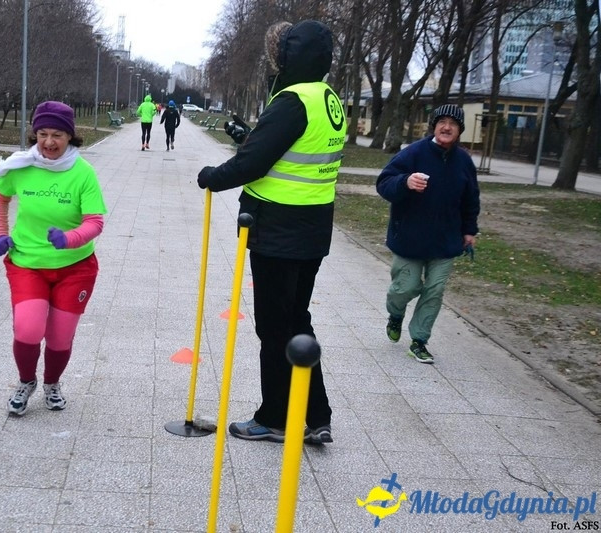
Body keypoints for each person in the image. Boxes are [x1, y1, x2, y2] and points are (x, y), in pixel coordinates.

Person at [196, 20, 345, 445]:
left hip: (278, 232)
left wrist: (210, 175)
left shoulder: (292, 100)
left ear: (286, 58)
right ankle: (317, 415)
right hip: (312, 230)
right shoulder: (328, 98)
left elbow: (250, 165)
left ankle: (275, 418)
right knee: (297, 321)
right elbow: (293, 154)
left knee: (274, 329)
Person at [0, 101, 107, 415]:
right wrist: (1, 234)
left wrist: (68, 239)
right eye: (42, 133)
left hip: (75, 267)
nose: (49, 142)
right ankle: (25, 381)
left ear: (70, 137)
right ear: (34, 134)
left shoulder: (82, 173)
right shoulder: (21, 166)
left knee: (59, 336)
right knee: (28, 328)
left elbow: (95, 222)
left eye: (57, 134)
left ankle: (52, 383)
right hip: (27, 263)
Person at [376, 104, 480, 364]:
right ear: (433, 126)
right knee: (405, 288)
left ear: (459, 130)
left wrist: (469, 231)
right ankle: (396, 314)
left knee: (434, 291)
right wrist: (405, 182)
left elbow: (471, 199)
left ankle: (419, 341)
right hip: (410, 238)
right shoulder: (413, 153)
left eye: (453, 124)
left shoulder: (464, 161)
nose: (447, 127)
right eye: (442, 121)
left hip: (446, 241)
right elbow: (384, 183)